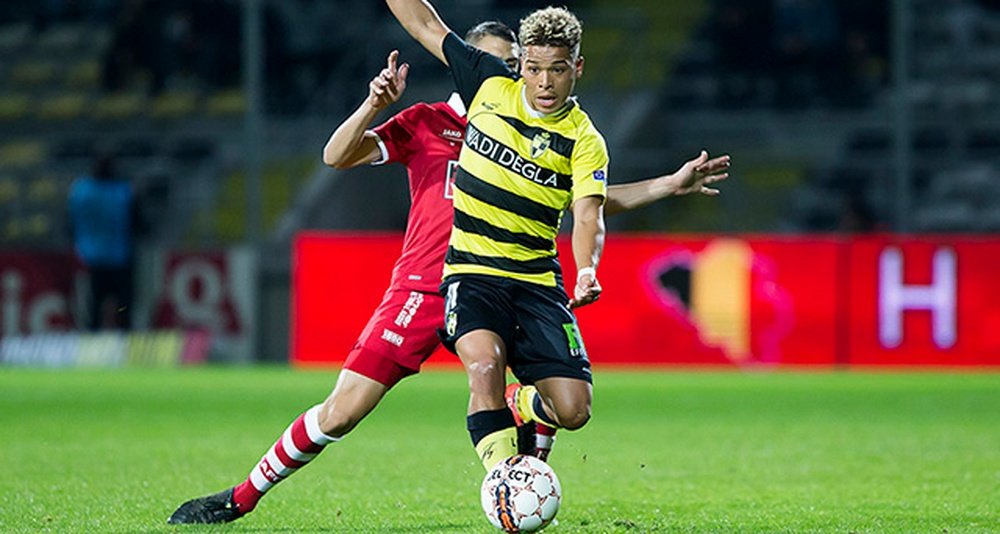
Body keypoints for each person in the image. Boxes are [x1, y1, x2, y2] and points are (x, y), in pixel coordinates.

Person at [167, 20, 729, 525]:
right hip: (421, 288)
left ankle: (516, 492)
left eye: (512, 64)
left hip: (503, 280)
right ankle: (240, 497)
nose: (505, 73)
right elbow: (337, 156)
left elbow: (587, 201)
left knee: (544, 393)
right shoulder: (427, 122)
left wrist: (662, 186)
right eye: (488, 60)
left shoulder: (536, 128)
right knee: (341, 412)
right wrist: (371, 105)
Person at [384, 0, 728, 476]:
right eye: (534, 69)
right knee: (483, 366)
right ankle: (506, 487)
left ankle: (522, 403)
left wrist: (587, 268)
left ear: (577, 68)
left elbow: (589, 213)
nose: (544, 83)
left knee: (574, 411)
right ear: (521, 63)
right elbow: (423, 23)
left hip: (536, 282)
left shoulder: (584, 139)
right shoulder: (487, 81)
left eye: (558, 70)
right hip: (472, 271)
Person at [67, 153, 141, 331]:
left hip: (89, 257)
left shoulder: (80, 191)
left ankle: (92, 342)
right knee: (123, 304)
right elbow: (138, 223)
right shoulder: (123, 191)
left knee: (94, 306)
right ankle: (124, 339)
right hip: (119, 257)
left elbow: (69, 223)